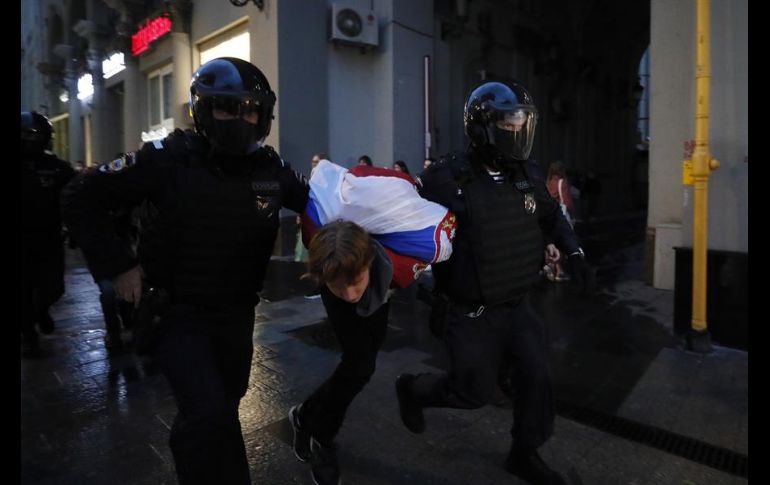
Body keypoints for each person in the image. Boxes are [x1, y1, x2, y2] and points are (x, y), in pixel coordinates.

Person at [61, 57, 308, 485]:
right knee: (208, 409)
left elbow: (326, 203)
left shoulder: (271, 170)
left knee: (224, 404)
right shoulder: (167, 159)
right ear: (204, 109)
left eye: (251, 109)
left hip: (235, 313)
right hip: (177, 312)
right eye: (228, 108)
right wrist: (120, 264)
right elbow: (81, 195)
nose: (241, 119)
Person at [395, 81, 588, 485]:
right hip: (470, 313)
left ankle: (524, 451)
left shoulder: (527, 175)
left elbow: (551, 216)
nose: (516, 131)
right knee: (472, 392)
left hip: (517, 305)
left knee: (537, 377)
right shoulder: (446, 179)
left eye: (521, 123)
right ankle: (413, 390)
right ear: (483, 126)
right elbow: (409, 232)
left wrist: (573, 251)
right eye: (508, 123)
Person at [288, 220, 393, 485]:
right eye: (338, 286)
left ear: (369, 263)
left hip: (378, 296)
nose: (348, 294)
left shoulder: (386, 265)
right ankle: (322, 439)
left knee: (362, 365)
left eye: (355, 283)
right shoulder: (336, 284)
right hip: (343, 276)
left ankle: (304, 415)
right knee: (360, 366)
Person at [21, 111, 76, 358]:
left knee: (54, 288)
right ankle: (29, 336)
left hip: (49, 238)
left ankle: (39, 312)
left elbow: (76, 198)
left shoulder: (58, 168)